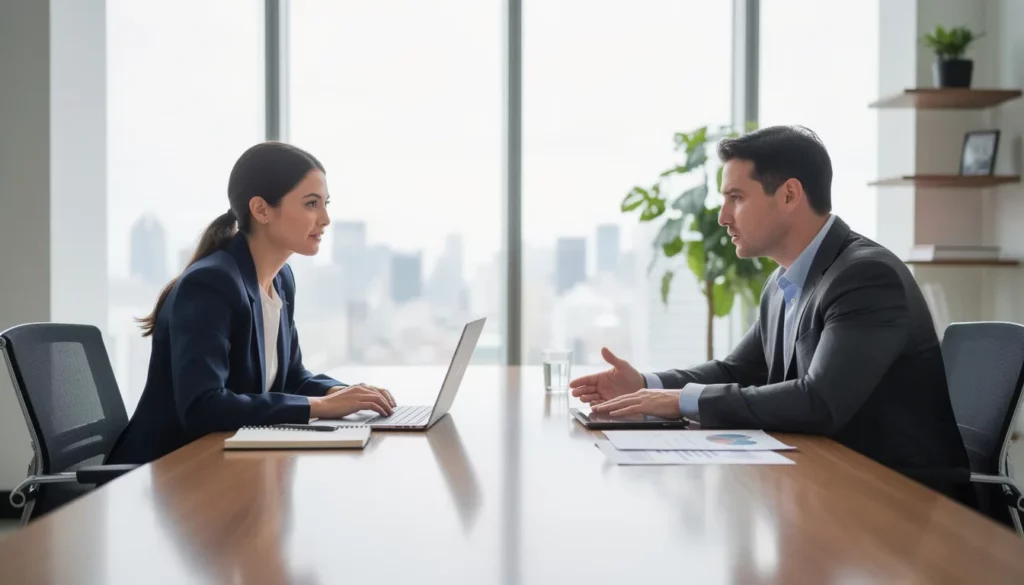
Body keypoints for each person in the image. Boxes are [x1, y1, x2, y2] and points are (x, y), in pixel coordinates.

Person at [570, 125, 971, 497]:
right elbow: (737, 371)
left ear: (790, 195)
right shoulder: (784, 282)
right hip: (825, 482)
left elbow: (820, 401)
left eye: (736, 198)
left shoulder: (865, 277)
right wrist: (646, 383)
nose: (723, 217)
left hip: (899, 499)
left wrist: (682, 401)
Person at [107, 142, 395, 465]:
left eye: (325, 203)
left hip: (226, 464)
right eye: (312, 203)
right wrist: (321, 407)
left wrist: (343, 394)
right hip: (168, 472)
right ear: (261, 209)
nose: (326, 218)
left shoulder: (281, 280)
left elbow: (292, 377)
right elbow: (203, 407)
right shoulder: (211, 284)